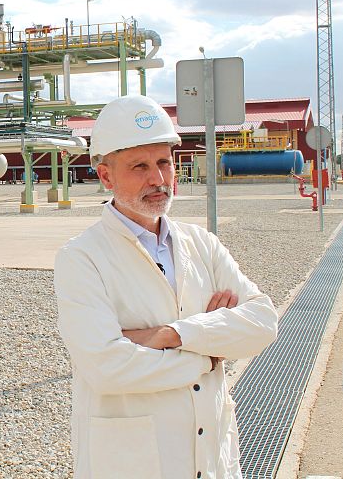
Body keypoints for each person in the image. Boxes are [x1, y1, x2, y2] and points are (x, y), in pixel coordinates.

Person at [54, 95, 278, 478]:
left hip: (212, 457)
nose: (157, 179)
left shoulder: (201, 243)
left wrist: (171, 335)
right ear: (106, 176)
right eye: (139, 166)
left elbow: (262, 322)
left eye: (163, 162)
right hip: (132, 461)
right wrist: (208, 354)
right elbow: (106, 368)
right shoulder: (82, 257)